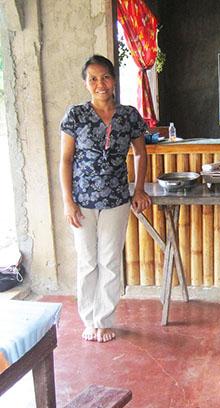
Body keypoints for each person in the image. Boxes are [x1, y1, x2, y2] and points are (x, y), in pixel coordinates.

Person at [59, 55, 151, 343]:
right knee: (87, 262)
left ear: (114, 80)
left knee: (110, 262)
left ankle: (104, 320)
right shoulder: (75, 115)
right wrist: (68, 202)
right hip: (82, 201)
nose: (100, 84)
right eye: (93, 79)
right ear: (86, 83)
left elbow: (140, 153)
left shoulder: (129, 115)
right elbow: (65, 160)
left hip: (116, 200)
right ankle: (89, 320)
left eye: (105, 77)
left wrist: (138, 189)